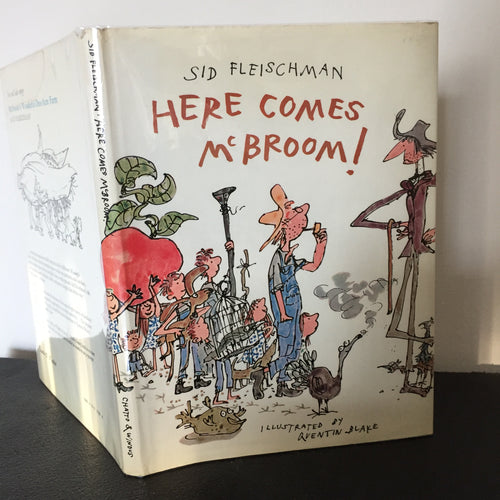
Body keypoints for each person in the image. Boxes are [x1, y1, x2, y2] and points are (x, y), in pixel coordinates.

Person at [351, 108, 436, 396]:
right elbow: (361, 218)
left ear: (417, 146)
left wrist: (430, 232)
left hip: (422, 250)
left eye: (405, 144)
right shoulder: (411, 187)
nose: (401, 152)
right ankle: (409, 377)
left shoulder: (430, 183)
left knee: (413, 309)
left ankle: (412, 373)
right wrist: (397, 225)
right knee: (405, 310)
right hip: (412, 249)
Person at [252, 184, 327, 399]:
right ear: (285, 228)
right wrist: (283, 313)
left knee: (293, 350)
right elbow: (276, 289)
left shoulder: (290, 258)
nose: (299, 229)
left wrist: (321, 244)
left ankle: (281, 384)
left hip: (294, 310)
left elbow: (313, 265)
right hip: (285, 312)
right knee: (286, 350)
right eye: (296, 225)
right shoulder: (277, 259)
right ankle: (265, 373)